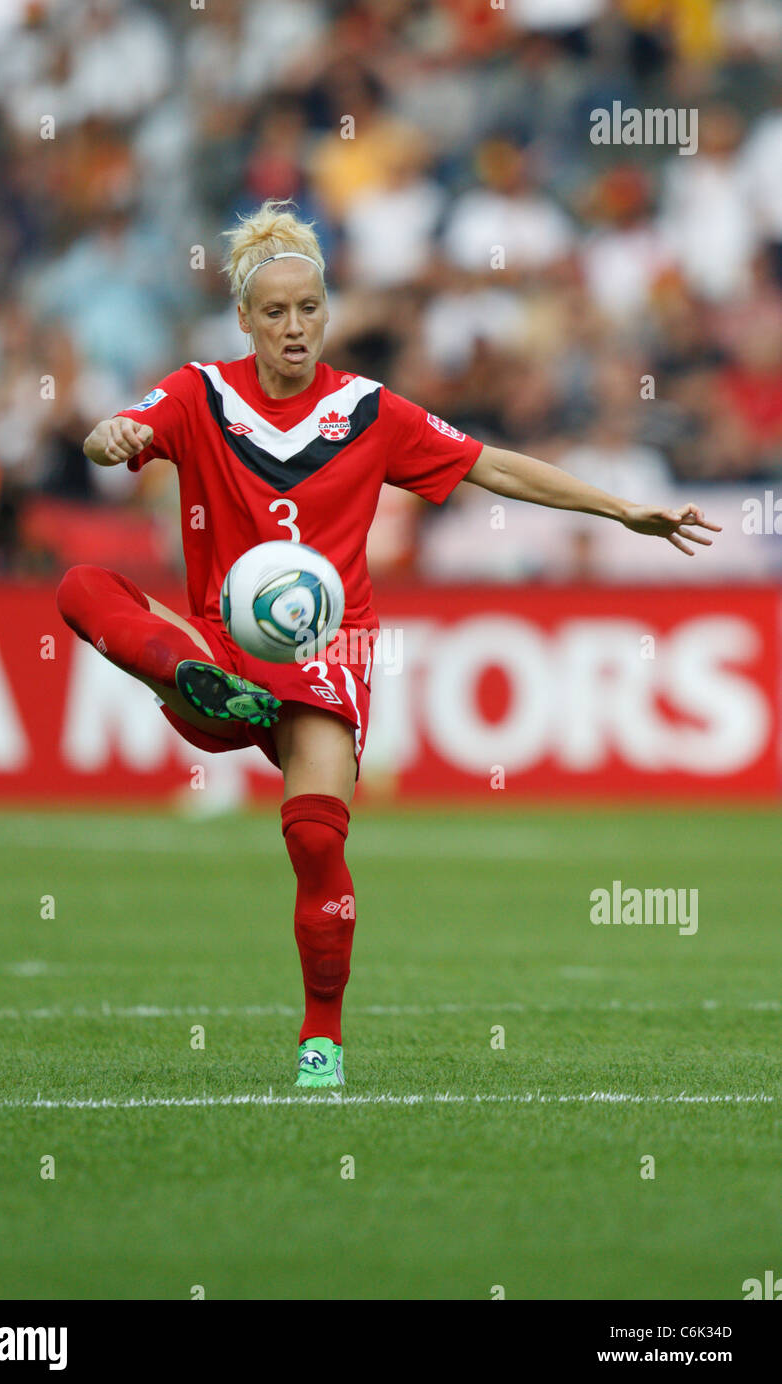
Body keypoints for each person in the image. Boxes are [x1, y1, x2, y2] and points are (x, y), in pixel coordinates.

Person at [56, 199, 720, 1089]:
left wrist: (619, 506)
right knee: (78, 589)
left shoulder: (368, 411)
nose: (295, 328)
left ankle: (319, 1042)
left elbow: (495, 464)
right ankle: (198, 681)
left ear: (327, 313)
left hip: (324, 654)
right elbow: (112, 436)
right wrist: (113, 435)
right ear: (245, 320)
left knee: (315, 842)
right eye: (276, 312)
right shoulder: (197, 393)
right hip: (215, 643)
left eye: (310, 310)